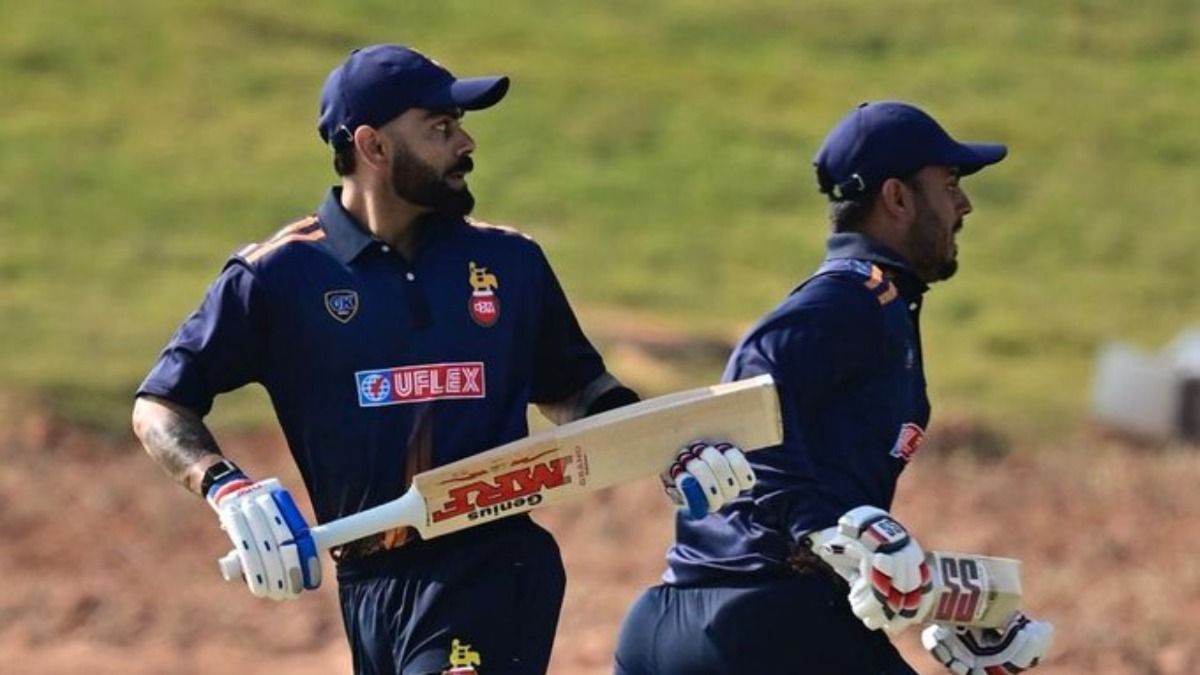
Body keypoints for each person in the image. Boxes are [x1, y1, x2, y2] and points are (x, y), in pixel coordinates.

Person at [131, 44, 752, 675]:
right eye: (440, 128)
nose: (466, 143)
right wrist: (225, 487)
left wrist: (670, 447)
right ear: (373, 147)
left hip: (490, 571)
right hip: (367, 585)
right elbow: (160, 406)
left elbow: (579, 392)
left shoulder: (511, 263)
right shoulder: (276, 277)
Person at [615, 101, 1055, 674]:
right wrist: (819, 526)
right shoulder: (853, 299)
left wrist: (949, 602)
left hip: (685, 624)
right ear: (897, 199)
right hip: (765, 626)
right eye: (949, 185)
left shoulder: (881, 306)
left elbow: (833, 512)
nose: (964, 204)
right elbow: (752, 382)